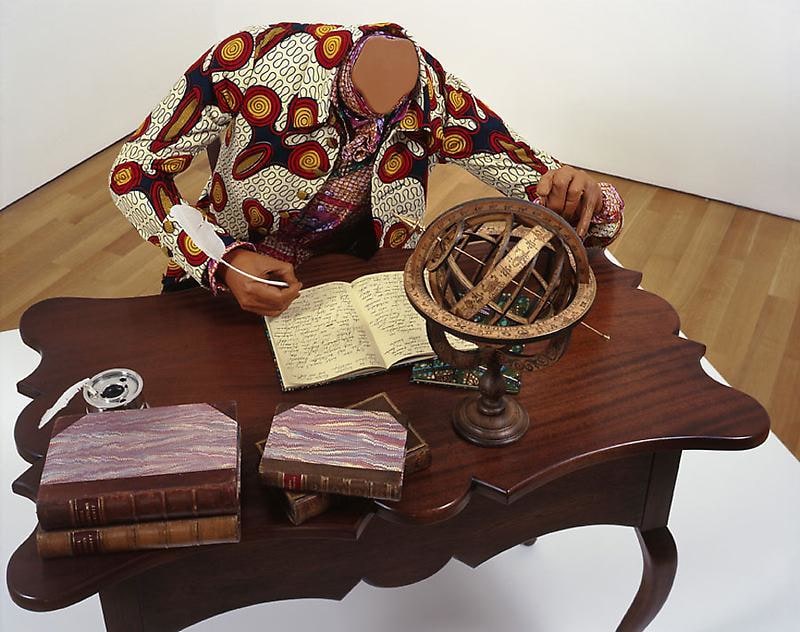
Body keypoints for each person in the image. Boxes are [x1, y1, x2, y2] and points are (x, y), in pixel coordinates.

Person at [110, 22, 623, 317]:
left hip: (365, 284)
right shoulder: (250, 59)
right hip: (230, 277)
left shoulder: (431, 91)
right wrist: (222, 262)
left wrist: (591, 198)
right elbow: (133, 168)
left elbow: (551, 190)